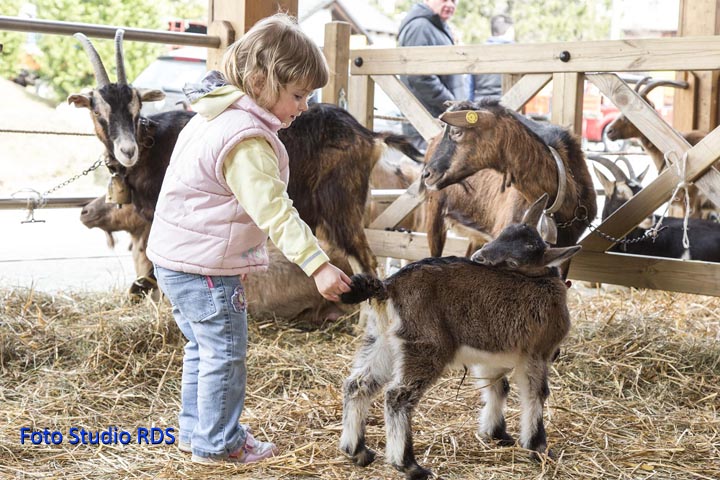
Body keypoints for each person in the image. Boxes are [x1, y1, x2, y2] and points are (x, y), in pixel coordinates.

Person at [146, 13, 352, 465]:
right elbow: (275, 210)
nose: (303, 106)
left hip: (176, 260)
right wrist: (317, 265)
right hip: (205, 269)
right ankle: (219, 444)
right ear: (260, 80)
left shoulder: (211, 115)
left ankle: (195, 433)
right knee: (225, 352)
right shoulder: (246, 141)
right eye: (297, 95)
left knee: (202, 348)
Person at [397, 0, 467, 151]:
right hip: (425, 121)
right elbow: (420, 76)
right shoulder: (420, 27)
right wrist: (451, 103)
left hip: (437, 118)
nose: (450, 4)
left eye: (454, 1)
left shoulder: (437, 26)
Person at [469, 14, 515, 101]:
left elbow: (469, 87)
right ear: (509, 30)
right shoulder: (515, 51)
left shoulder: (477, 52)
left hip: (480, 104)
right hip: (507, 105)